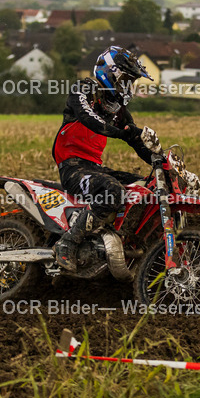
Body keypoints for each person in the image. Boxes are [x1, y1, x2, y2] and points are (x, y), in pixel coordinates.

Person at [52, 46, 158, 271]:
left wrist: (160, 161)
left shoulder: (118, 110)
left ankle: (119, 240)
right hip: (72, 167)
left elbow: (137, 141)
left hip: (94, 167)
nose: (128, 86)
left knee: (145, 187)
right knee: (112, 190)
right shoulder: (84, 89)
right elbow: (88, 117)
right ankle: (67, 243)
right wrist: (121, 132)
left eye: (131, 82)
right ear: (110, 73)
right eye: (126, 80)